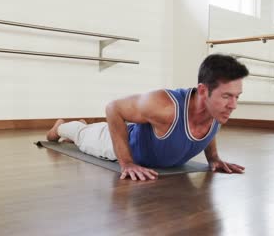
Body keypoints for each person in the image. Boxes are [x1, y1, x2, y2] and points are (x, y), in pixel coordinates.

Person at [46, 54, 249, 181]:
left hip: (145, 144)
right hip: (114, 144)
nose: (233, 105)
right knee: (82, 135)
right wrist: (126, 162)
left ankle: (84, 127)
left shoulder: (216, 110)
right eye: (226, 96)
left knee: (90, 130)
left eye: (236, 97)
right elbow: (113, 108)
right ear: (203, 91)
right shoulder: (165, 106)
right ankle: (61, 127)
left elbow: (206, 126)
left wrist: (213, 158)